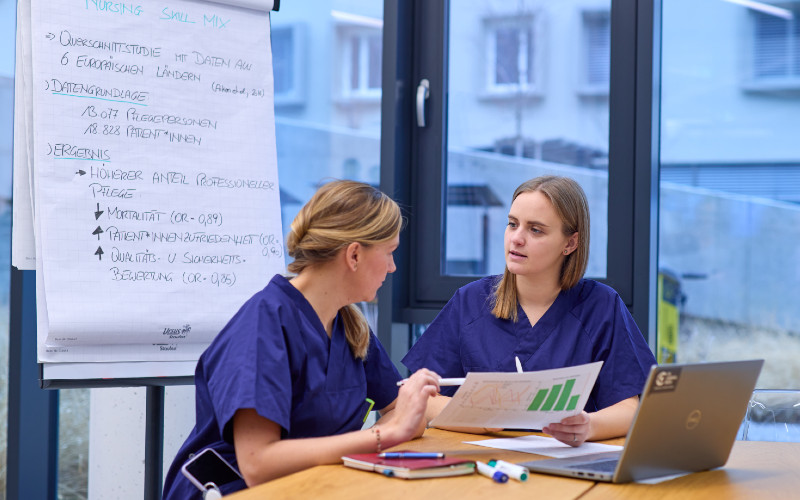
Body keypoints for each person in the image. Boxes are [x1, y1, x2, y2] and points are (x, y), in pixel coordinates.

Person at [163, 180, 441, 498]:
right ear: (354, 255)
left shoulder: (349, 326)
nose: (392, 268)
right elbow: (258, 465)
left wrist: (405, 419)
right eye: (390, 253)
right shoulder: (263, 326)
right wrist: (384, 434)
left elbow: (399, 410)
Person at [403, 175, 656, 446]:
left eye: (536, 230)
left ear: (570, 244)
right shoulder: (470, 302)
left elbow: (630, 408)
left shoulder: (601, 306)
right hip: (484, 467)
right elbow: (417, 396)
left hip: (567, 466)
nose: (517, 239)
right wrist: (480, 420)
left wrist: (587, 427)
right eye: (512, 224)